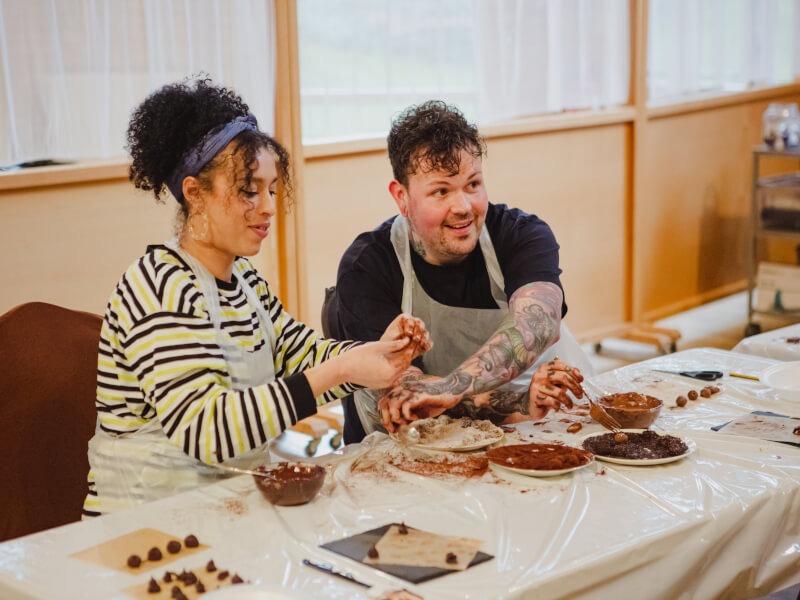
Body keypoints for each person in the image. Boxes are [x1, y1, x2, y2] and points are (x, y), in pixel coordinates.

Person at [83, 78, 430, 516]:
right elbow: (207, 431)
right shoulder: (158, 286)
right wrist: (343, 368)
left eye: (271, 189)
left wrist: (376, 355)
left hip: (225, 510)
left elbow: (300, 354)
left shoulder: (244, 280)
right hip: (143, 525)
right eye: (249, 190)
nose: (268, 207)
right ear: (194, 194)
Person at [326, 100, 592, 442]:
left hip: (524, 434)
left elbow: (536, 323)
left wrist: (524, 402)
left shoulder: (522, 235)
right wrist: (517, 401)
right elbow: (409, 401)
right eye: (441, 191)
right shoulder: (367, 266)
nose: (464, 208)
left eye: (473, 185)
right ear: (401, 197)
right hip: (410, 450)